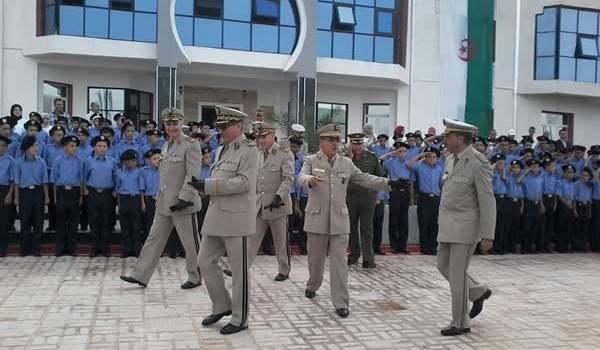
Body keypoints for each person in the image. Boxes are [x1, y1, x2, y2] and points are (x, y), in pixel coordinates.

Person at [298, 124, 402, 319]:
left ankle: (341, 303)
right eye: (331, 140)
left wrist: (389, 183)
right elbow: (301, 176)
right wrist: (309, 180)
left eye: (337, 140)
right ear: (321, 141)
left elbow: (364, 178)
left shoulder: (346, 163)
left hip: (339, 220)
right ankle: (313, 284)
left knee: (340, 262)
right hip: (316, 218)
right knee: (315, 259)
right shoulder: (311, 160)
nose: (335, 144)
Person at [189, 106, 259, 335]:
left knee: (239, 272)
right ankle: (222, 305)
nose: (220, 130)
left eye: (225, 126)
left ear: (238, 127)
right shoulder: (221, 149)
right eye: (219, 126)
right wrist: (202, 186)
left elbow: (244, 183)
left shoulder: (250, 150)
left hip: (237, 219)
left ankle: (240, 318)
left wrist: (208, 186)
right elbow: (221, 178)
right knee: (205, 261)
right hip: (217, 216)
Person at [120, 108, 202, 289]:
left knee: (190, 242)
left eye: (175, 124)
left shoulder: (191, 144)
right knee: (153, 237)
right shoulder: (166, 145)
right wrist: (159, 196)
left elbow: (193, 175)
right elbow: (165, 176)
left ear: (181, 124)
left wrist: (184, 197)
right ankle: (140, 274)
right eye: (168, 124)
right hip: (165, 202)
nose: (171, 127)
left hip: (183, 203)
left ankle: (195, 276)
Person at [435, 119, 495, 336]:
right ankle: (478, 292)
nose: (445, 139)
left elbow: (488, 201)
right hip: (447, 225)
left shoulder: (478, 163)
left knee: (457, 274)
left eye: (448, 136)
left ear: (460, 138)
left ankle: (461, 322)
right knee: (443, 266)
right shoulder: (451, 159)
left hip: (466, 228)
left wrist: (487, 234)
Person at [246, 122, 294, 280]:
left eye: (264, 136)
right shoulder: (258, 153)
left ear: (273, 136)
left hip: (277, 204)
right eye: (259, 136)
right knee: (252, 237)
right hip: (260, 203)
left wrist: (279, 196)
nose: (260, 140)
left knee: (280, 239)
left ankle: (284, 269)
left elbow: (288, 178)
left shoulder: (284, 153)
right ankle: (241, 267)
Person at [345, 132, 384, 268]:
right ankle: (354, 254)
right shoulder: (345, 159)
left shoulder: (372, 158)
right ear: (350, 144)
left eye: (360, 143)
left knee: (367, 228)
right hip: (350, 197)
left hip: (368, 197)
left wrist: (377, 195)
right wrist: (349, 157)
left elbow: (379, 177)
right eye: (354, 144)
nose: (357, 146)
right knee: (351, 227)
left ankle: (368, 258)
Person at [14, 135, 49, 256]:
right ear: (27, 147)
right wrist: (16, 198)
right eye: (34, 145)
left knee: (38, 222)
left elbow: (44, 181)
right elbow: (17, 182)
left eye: (37, 145)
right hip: (24, 193)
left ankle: (36, 249)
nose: (36, 148)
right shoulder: (18, 162)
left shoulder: (41, 162)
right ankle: (24, 248)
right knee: (25, 222)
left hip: (38, 192)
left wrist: (46, 197)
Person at [84, 135, 118, 257]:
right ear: (94, 147)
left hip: (107, 194)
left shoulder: (112, 162)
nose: (102, 148)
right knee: (94, 221)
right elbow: (84, 177)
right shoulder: (88, 161)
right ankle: (95, 247)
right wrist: (85, 189)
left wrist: (115, 191)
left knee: (106, 221)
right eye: (99, 146)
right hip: (93, 193)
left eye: (104, 146)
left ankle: (105, 247)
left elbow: (116, 178)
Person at [408, 146, 444, 255]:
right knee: (424, 223)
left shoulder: (440, 168)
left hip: (436, 198)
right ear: (426, 158)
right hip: (425, 198)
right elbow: (409, 164)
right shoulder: (420, 167)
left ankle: (433, 247)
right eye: (429, 157)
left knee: (434, 224)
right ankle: (424, 247)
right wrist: (420, 156)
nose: (432, 159)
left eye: (434, 157)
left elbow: (442, 183)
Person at [51, 135, 83, 257]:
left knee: (74, 221)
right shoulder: (58, 161)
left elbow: (81, 180)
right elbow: (55, 180)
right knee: (61, 220)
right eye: (71, 146)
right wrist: (55, 197)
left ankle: (72, 247)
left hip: (74, 191)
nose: (74, 148)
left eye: (76, 146)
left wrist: (80, 195)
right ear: (65, 147)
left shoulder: (79, 161)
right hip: (62, 191)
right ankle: (60, 247)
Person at [381, 141, 413, 254]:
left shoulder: (409, 163)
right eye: (400, 151)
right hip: (395, 189)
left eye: (404, 151)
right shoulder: (390, 162)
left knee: (404, 219)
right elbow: (379, 159)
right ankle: (394, 245)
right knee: (394, 218)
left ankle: (403, 245)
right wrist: (391, 153)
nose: (402, 153)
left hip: (406, 190)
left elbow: (412, 180)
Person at [44, 125, 66, 233]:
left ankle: (62, 224)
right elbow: (43, 162)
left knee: (62, 203)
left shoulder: (66, 148)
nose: (60, 137)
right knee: (52, 203)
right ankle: (52, 224)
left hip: (62, 178)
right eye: (57, 135)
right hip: (50, 179)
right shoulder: (47, 148)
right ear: (52, 136)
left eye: (62, 135)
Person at [521, 158, 544, 253]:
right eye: (533, 167)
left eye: (537, 167)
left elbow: (540, 192)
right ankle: (525, 247)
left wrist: (542, 204)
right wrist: (528, 170)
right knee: (527, 226)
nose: (536, 169)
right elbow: (519, 180)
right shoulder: (526, 177)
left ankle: (531, 246)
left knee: (535, 226)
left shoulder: (540, 178)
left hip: (537, 203)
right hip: (529, 203)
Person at [555, 165, 577, 252]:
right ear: (564, 173)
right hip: (563, 206)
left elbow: (574, 197)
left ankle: (566, 246)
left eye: (572, 173)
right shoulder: (560, 182)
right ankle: (560, 246)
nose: (571, 174)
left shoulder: (573, 184)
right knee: (561, 227)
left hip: (571, 206)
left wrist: (574, 209)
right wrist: (567, 203)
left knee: (569, 227)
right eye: (569, 172)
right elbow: (559, 195)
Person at [141, 149, 160, 244]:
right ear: (149, 160)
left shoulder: (164, 171)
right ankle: (148, 244)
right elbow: (142, 189)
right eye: (154, 159)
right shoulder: (144, 171)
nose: (157, 161)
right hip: (149, 200)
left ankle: (159, 245)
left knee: (160, 224)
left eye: (159, 158)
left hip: (161, 200)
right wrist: (143, 203)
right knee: (149, 222)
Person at [490, 154, 508, 254]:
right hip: (495, 198)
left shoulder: (504, 174)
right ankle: (492, 247)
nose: (502, 165)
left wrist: (503, 171)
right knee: (494, 225)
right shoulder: (492, 173)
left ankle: (500, 246)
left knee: (502, 224)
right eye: (499, 163)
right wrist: (492, 169)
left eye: (503, 163)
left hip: (504, 199)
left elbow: (505, 180)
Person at [0, 135, 14, 257]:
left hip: (4, 190)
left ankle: (2, 248)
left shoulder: (10, 160)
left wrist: (9, 194)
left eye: (4, 146)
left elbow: (12, 180)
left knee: (3, 220)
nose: (1, 148)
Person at [505, 159, 524, 253]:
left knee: (515, 227)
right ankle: (505, 246)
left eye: (517, 167)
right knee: (507, 225)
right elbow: (505, 176)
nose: (515, 169)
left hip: (518, 202)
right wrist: (509, 168)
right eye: (514, 167)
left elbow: (519, 181)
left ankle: (512, 247)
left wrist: (522, 207)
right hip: (509, 202)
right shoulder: (508, 176)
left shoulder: (521, 177)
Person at [573, 167, 593, 251]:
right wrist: (574, 210)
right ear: (580, 175)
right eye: (583, 175)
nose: (584, 177)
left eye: (586, 175)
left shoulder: (590, 185)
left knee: (585, 227)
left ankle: (583, 245)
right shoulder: (577, 184)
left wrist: (590, 211)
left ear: (589, 177)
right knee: (578, 226)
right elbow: (574, 198)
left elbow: (590, 199)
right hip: (579, 204)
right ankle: (576, 245)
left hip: (587, 205)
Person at [541, 156, 557, 253]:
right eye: (552, 166)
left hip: (551, 200)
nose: (554, 168)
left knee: (550, 225)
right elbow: (540, 191)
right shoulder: (542, 176)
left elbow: (554, 192)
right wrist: (542, 204)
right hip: (544, 199)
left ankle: (547, 245)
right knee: (543, 224)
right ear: (547, 167)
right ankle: (541, 245)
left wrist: (555, 203)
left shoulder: (554, 177)